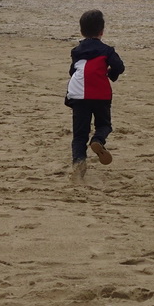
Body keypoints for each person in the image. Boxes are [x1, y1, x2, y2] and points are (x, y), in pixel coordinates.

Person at [64, 9, 125, 181]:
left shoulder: (76, 51)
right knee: (104, 125)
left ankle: (78, 164)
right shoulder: (107, 50)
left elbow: (72, 71)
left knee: (79, 135)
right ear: (102, 31)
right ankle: (97, 140)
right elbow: (119, 67)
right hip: (100, 93)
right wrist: (111, 74)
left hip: (77, 93)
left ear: (82, 31)